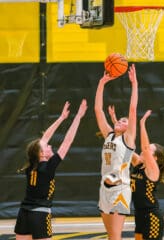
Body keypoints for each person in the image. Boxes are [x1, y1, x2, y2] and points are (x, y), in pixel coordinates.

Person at [14, 99, 88, 240]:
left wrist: (61, 118)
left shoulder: (31, 164)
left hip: (23, 213)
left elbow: (45, 137)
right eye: (47, 147)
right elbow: (67, 140)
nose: (50, 146)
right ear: (41, 153)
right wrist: (78, 116)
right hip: (40, 214)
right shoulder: (48, 167)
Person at [94, 64, 138, 240]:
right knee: (110, 236)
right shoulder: (109, 135)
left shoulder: (128, 139)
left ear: (129, 127)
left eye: (124, 120)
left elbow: (133, 109)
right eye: (119, 119)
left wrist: (134, 84)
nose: (120, 120)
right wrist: (102, 83)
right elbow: (98, 110)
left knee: (115, 237)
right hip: (104, 188)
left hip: (120, 189)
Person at [130, 110, 164, 240]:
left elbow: (145, 147)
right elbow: (125, 147)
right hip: (139, 214)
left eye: (149, 151)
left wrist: (142, 124)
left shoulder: (153, 171)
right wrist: (116, 125)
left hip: (152, 216)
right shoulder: (138, 163)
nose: (144, 151)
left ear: (155, 158)